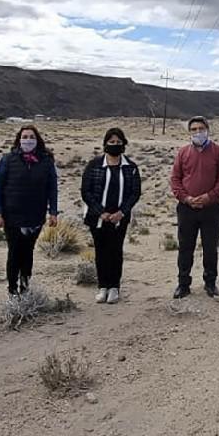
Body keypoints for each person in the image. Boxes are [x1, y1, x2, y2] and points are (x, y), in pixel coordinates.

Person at [0, 125, 59, 297]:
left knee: (28, 252)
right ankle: (12, 291)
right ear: (19, 139)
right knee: (14, 252)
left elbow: (52, 188)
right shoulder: (8, 160)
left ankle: (25, 288)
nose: (28, 140)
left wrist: (53, 212)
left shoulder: (46, 161)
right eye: (25, 136)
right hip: (12, 215)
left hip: (35, 214)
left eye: (31, 137)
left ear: (37, 140)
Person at [170, 116, 219, 299]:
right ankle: (183, 284)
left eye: (201, 128)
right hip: (187, 209)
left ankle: (210, 283)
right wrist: (187, 198)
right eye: (194, 129)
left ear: (207, 129)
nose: (198, 132)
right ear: (189, 132)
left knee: (210, 248)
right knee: (185, 247)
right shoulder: (183, 152)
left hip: (211, 209)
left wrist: (208, 197)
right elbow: (175, 179)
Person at [80, 128, 141, 304]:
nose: (115, 145)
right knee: (101, 251)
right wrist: (101, 212)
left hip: (119, 218)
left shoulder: (131, 168)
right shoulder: (94, 165)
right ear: (105, 143)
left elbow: (135, 193)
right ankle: (102, 287)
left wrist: (122, 212)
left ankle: (114, 287)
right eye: (111, 142)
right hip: (98, 218)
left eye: (118, 142)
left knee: (115, 251)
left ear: (124, 144)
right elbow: (86, 191)